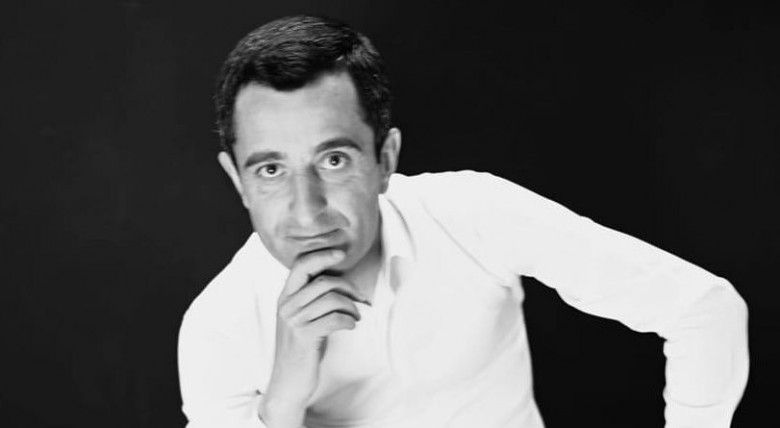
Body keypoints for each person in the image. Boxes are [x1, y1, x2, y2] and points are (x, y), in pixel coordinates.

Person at [177, 14, 749, 428]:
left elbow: (704, 309)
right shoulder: (216, 328)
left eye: (333, 161)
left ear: (385, 160)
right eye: (271, 169)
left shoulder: (471, 216)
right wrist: (283, 399)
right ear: (237, 180)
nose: (307, 210)